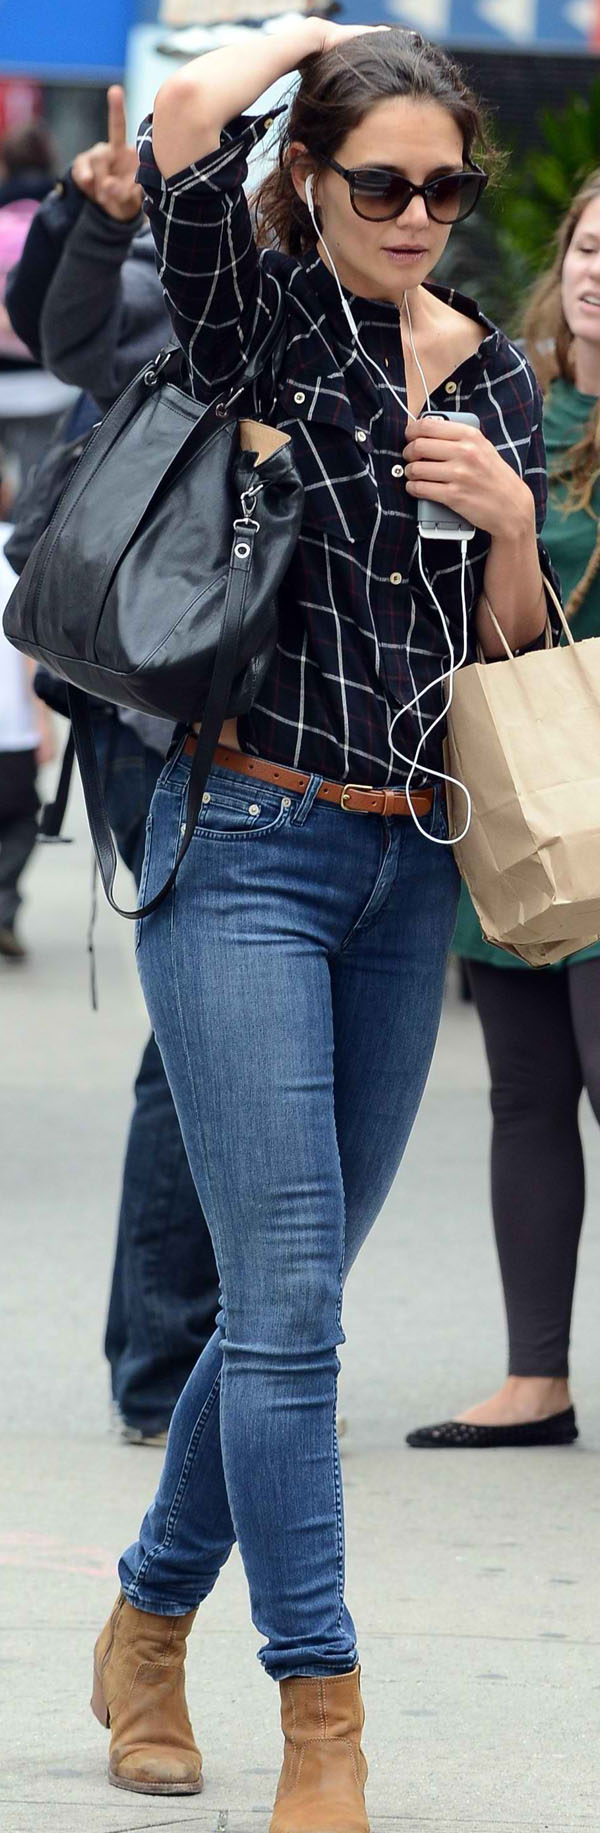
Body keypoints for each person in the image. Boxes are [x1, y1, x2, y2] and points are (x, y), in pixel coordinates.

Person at [91, 24, 559, 1833]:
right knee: (285, 1316)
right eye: (384, 181)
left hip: (408, 876)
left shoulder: (500, 376)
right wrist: (316, 39)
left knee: (292, 1308)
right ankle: (320, 1709)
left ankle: (142, 1616)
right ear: (322, 181)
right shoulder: (266, 320)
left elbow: (514, 654)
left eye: (448, 188)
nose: (420, 216)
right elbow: (194, 125)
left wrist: (512, 523)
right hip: (250, 842)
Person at [5, 87, 220, 1444]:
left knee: (253, 1047)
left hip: (320, 724)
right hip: (157, 710)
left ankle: (236, 1344)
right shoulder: (179, 248)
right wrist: (97, 212)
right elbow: (63, 326)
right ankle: (166, 1361)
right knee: (203, 1036)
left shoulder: (389, 302)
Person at [408, 169, 600, 1452]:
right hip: (509, 782)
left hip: (587, 784)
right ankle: (537, 1379)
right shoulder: (507, 399)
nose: (596, 269)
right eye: (590, 245)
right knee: (524, 1090)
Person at [0, 451, 54, 955]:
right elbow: (27, 647)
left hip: (13, 724)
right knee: (17, 819)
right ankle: (3, 907)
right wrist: (42, 721)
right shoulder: (17, 553)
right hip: (10, 724)